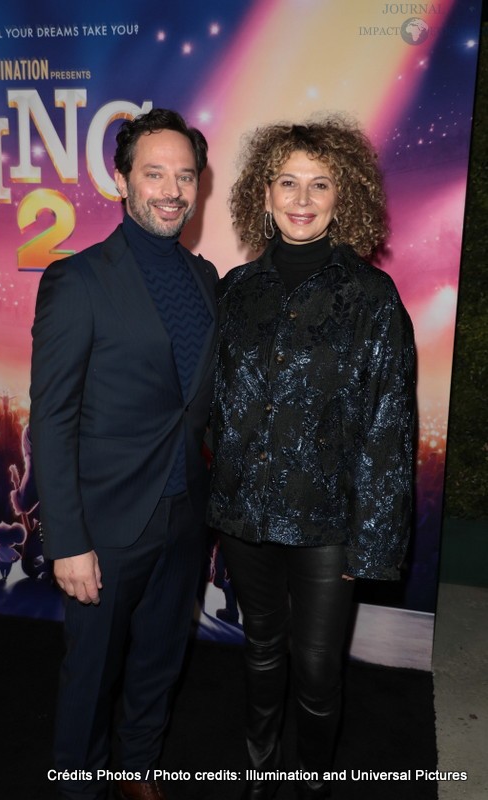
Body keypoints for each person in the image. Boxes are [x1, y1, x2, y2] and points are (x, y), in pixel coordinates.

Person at [207, 116, 416, 800]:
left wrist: (374, 543)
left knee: (320, 669)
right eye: (287, 182)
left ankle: (313, 783)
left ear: (342, 195)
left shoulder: (372, 300)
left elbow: (389, 427)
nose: (302, 198)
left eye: (319, 183)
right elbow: (215, 401)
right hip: (244, 517)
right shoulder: (235, 289)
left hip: (329, 524)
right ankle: (260, 769)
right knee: (261, 650)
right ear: (262, 195)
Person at [30, 108, 217, 800]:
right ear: (122, 180)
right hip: (105, 527)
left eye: (185, 175)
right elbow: (51, 418)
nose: (171, 190)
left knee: (160, 661)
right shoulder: (78, 281)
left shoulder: (204, 280)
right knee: (91, 674)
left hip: (185, 514)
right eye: (154, 173)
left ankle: (139, 770)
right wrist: (68, 541)